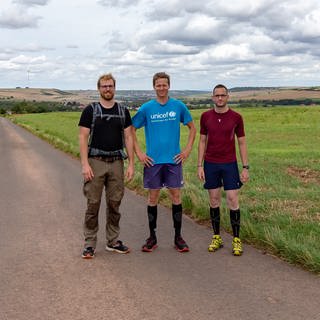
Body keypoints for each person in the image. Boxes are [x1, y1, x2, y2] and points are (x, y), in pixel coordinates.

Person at [132, 72, 196, 253]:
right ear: (154, 87)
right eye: (158, 85)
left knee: (176, 197)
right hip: (153, 162)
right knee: (153, 198)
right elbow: (130, 129)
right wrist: (139, 153)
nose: (162, 88)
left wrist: (187, 150)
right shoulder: (146, 108)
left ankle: (178, 237)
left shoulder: (178, 106)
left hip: (173, 160)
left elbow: (192, 128)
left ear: (169, 86)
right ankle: (152, 237)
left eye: (164, 85)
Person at [78, 73, 134, 259]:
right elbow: (83, 137)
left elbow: (128, 137)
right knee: (93, 203)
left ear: (114, 88)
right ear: (99, 88)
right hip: (95, 161)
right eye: (104, 86)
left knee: (115, 203)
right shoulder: (90, 110)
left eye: (110, 86)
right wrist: (85, 164)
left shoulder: (123, 111)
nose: (107, 89)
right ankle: (89, 243)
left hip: (117, 162)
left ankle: (113, 241)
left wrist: (131, 164)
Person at [197, 84, 249, 256]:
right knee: (214, 200)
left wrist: (245, 167)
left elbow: (241, 142)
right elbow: (202, 141)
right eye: (217, 95)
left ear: (227, 97)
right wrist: (199, 165)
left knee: (233, 199)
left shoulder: (236, 117)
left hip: (229, 164)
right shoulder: (205, 117)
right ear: (213, 97)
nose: (220, 98)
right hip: (211, 163)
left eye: (223, 95)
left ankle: (236, 239)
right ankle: (216, 237)